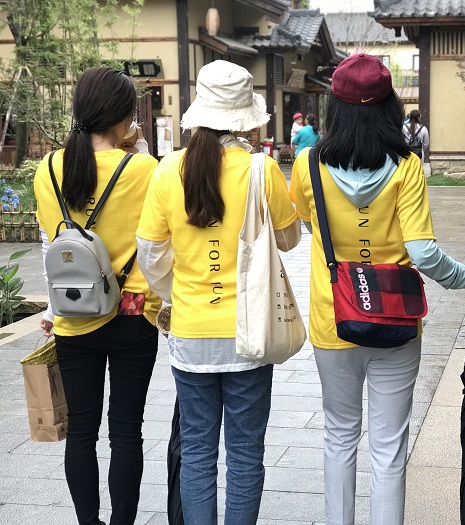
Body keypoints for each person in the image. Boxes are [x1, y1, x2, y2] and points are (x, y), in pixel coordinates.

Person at [291, 53, 465, 525]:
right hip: (396, 321)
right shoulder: (406, 167)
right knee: (388, 447)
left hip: (334, 318)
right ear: (389, 109)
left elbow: (309, 221)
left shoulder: (307, 164)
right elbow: (422, 253)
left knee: (340, 436)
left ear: (334, 108)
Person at [135, 60, 301, 525]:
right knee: (245, 454)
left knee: (197, 450)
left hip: (191, 333)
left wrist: (174, 294)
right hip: (251, 333)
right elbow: (289, 239)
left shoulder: (169, 169)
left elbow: (150, 252)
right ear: (245, 118)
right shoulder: (261, 170)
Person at [33, 66, 161, 525]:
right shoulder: (144, 168)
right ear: (124, 116)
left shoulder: (49, 167)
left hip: (74, 313)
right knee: (126, 432)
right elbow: (154, 246)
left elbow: (51, 246)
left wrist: (52, 309)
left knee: (82, 432)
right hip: (133, 314)